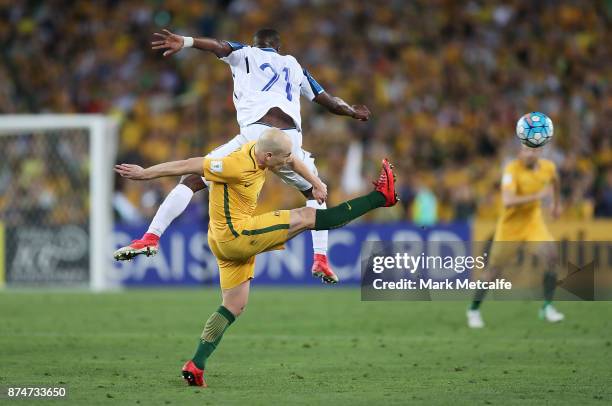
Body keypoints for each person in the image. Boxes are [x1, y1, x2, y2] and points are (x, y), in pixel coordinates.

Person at [114, 128, 398, 386]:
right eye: (283, 157)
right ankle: (380, 198)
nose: (289, 161)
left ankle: (196, 364)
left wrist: (315, 183)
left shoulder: (260, 149)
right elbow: (189, 164)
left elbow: (293, 159)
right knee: (308, 216)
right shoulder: (234, 165)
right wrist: (145, 173)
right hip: (237, 236)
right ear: (268, 156)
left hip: (220, 239)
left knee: (234, 305)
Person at [114, 28, 371, 284]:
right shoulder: (294, 66)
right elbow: (329, 101)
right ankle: (321, 258)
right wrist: (351, 111)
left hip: (256, 138)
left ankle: (152, 236)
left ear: (255, 44)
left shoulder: (246, 53)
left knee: (191, 179)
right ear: (278, 48)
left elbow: (217, 45)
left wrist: (187, 41)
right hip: (289, 142)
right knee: (314, 192)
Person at [466, 144, 564, 328]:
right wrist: (539, 195)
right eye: (526, 149)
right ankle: (473, 309)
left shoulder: (548, 168)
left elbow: (555, 181)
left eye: (533, 150)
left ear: (539, 152)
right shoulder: (511, 170)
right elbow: (508, 201)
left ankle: (547, 307)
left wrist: (556, 205)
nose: (529, 154)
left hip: (532, 223)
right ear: (519, 152)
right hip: (510, 227)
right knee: (493, 272)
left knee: (551, 256)